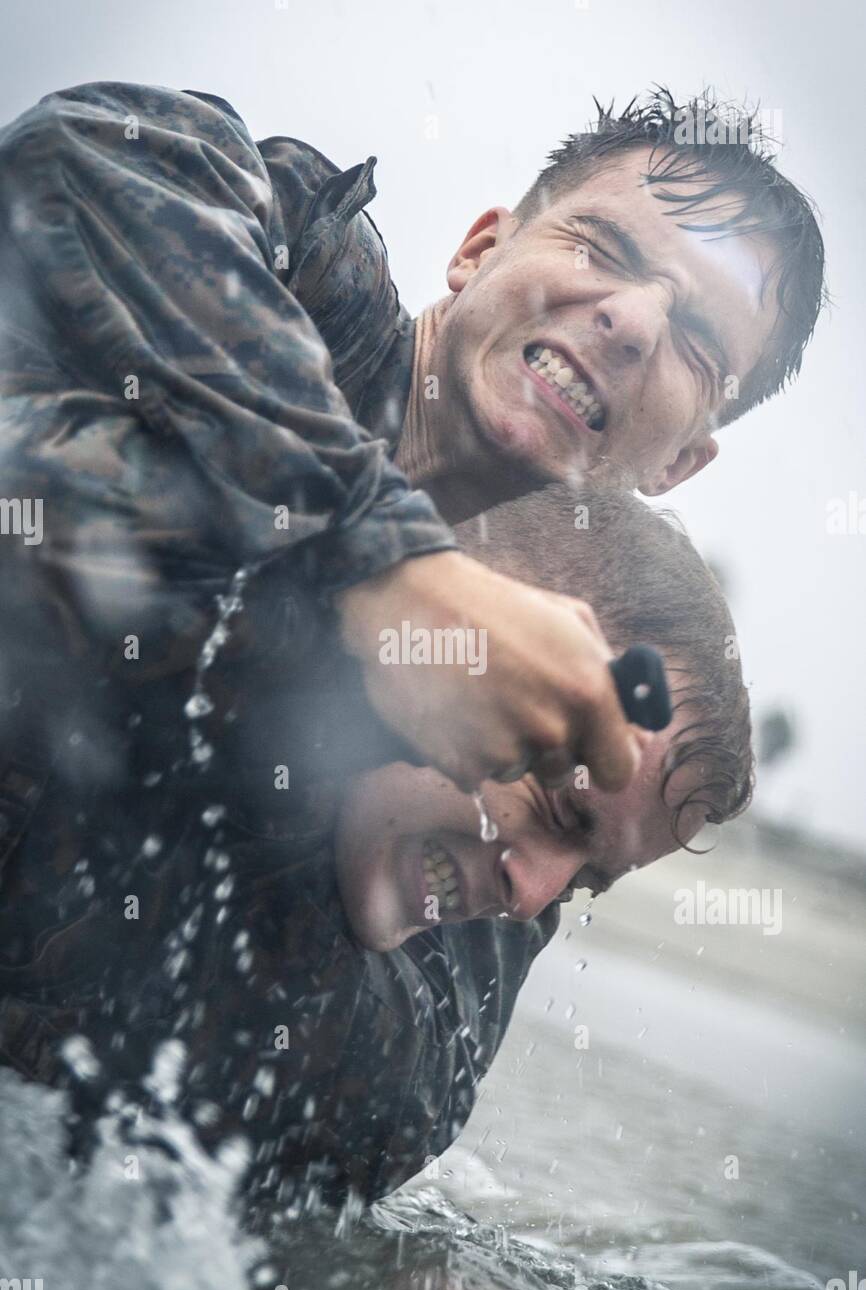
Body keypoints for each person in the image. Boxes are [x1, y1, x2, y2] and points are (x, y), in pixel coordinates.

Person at [0, 80, 824, 804]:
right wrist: (381, 563)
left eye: (699, 346)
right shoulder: (300, 259)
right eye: (600, 248)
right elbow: (68, 156)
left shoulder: (508, 689)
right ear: (479, 250)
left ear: (677, 464)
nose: (634, 322)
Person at [0, 485, 752, 1209]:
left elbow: (366, 1119)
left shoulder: (422, 1034)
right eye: (559, 808)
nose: (531, 897)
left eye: (587, 880)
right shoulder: (130, 589)